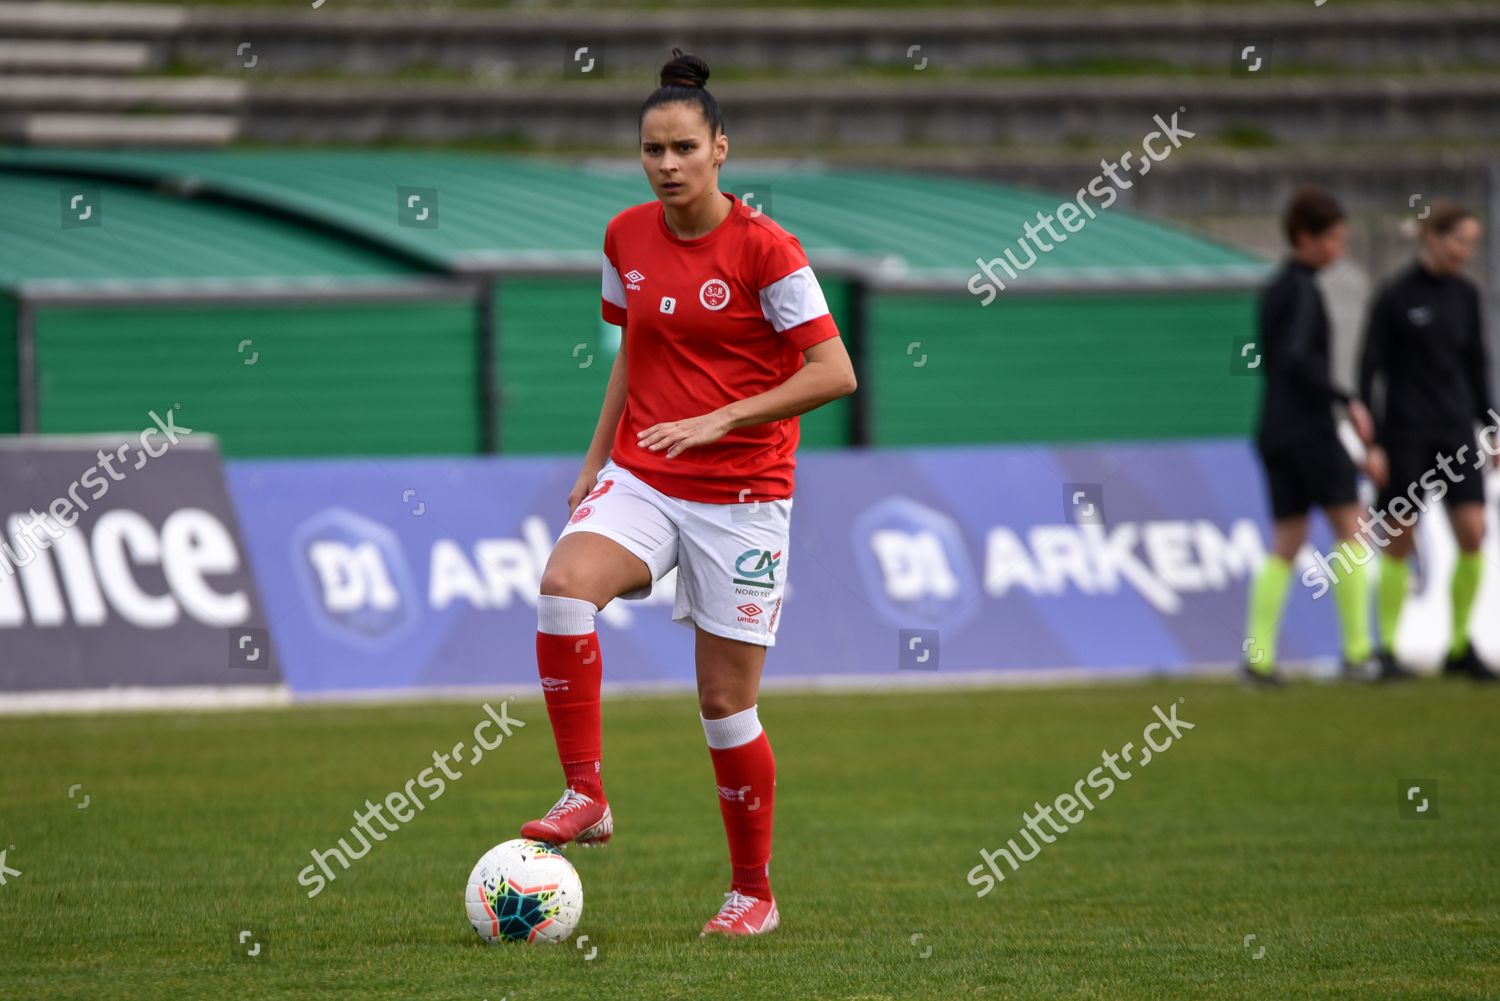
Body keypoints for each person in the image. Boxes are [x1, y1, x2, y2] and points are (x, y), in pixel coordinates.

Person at [518, 48, 858, 937]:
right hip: (644, 473)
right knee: (563, 588)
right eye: (650, 149)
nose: (665, 164)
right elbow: (636, 349)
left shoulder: (767, 250)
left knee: (723, 702)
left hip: (743, 494)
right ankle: (585, 792)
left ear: (720, 149)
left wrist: (722, 420)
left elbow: (835, 371)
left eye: (682, 148)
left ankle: (754, 890)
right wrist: (595, 459)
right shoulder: (624, 236)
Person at [1242, 186, 1379, 686]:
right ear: (1306, 237)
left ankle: (1257, 660)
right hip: (1309, 429)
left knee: (1287, 540)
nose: (1339, 250)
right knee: (1353, 529)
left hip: (1273, 428)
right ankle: (1359, 654)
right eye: (1334, 239)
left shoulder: (1275, 288)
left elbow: (1274, 359)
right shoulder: (1303, 291)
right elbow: (1298, 359)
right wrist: (1344, 400)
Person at [1359, 200, 1497, 682]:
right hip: (1405, 431)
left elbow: (1477, 366)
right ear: (1432, 238)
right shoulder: (1396, 294)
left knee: (1473, 532)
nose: (1464, 251)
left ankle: (1460, 646)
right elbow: (1369, 366)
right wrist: (1372, 438)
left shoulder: (1467, 295)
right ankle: (1388, 650)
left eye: (1471, 244)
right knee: (1399, 538)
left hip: (1455, 431)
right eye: (1458, 240)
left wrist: (1491, 428)